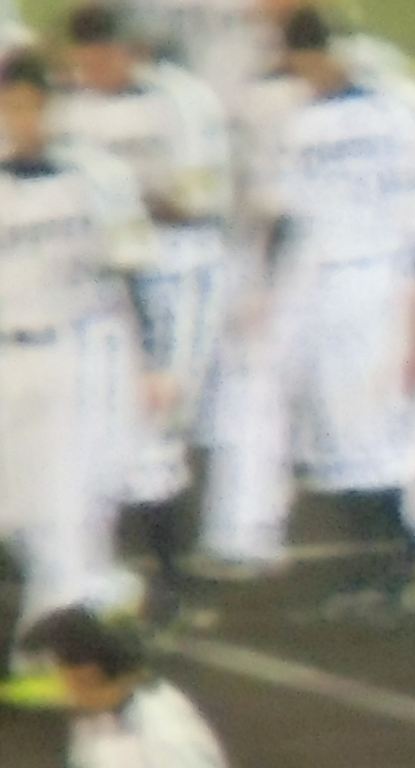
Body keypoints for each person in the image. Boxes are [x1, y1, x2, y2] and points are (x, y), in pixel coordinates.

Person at [59, 3, 233, 618]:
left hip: (181, 271)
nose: (93, 70)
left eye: (102, 56)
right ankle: (129, 572)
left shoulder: (182, 101)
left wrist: (118, 204)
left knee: (158, 419)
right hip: (107, 281)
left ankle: (172, 580)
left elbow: (199, 201)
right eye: (83, 60)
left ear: (128, 50)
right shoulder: (70, 106)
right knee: (105, 419)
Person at [266, 6, 415, 619]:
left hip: (382, 281)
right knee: (343, 430)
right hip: (331, 287)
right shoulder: (391, 105)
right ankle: (383, 566)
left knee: (381, 427)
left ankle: (408, 564)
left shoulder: (394, 108)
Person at [0, 50, 153, 698]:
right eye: (11, 106)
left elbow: (131, 271)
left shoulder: (95, 179)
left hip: (72, 355)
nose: (22, 119)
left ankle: (48, 658)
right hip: (6, 358)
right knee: (14, 512)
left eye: (33, 106)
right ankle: (102, 588)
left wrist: (148, 363)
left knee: (62, 507)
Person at [20, 606, 229, 768]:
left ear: (85, 675)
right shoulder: (100, 710)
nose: (53, 693)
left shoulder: (166, 737)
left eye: (53, 676)